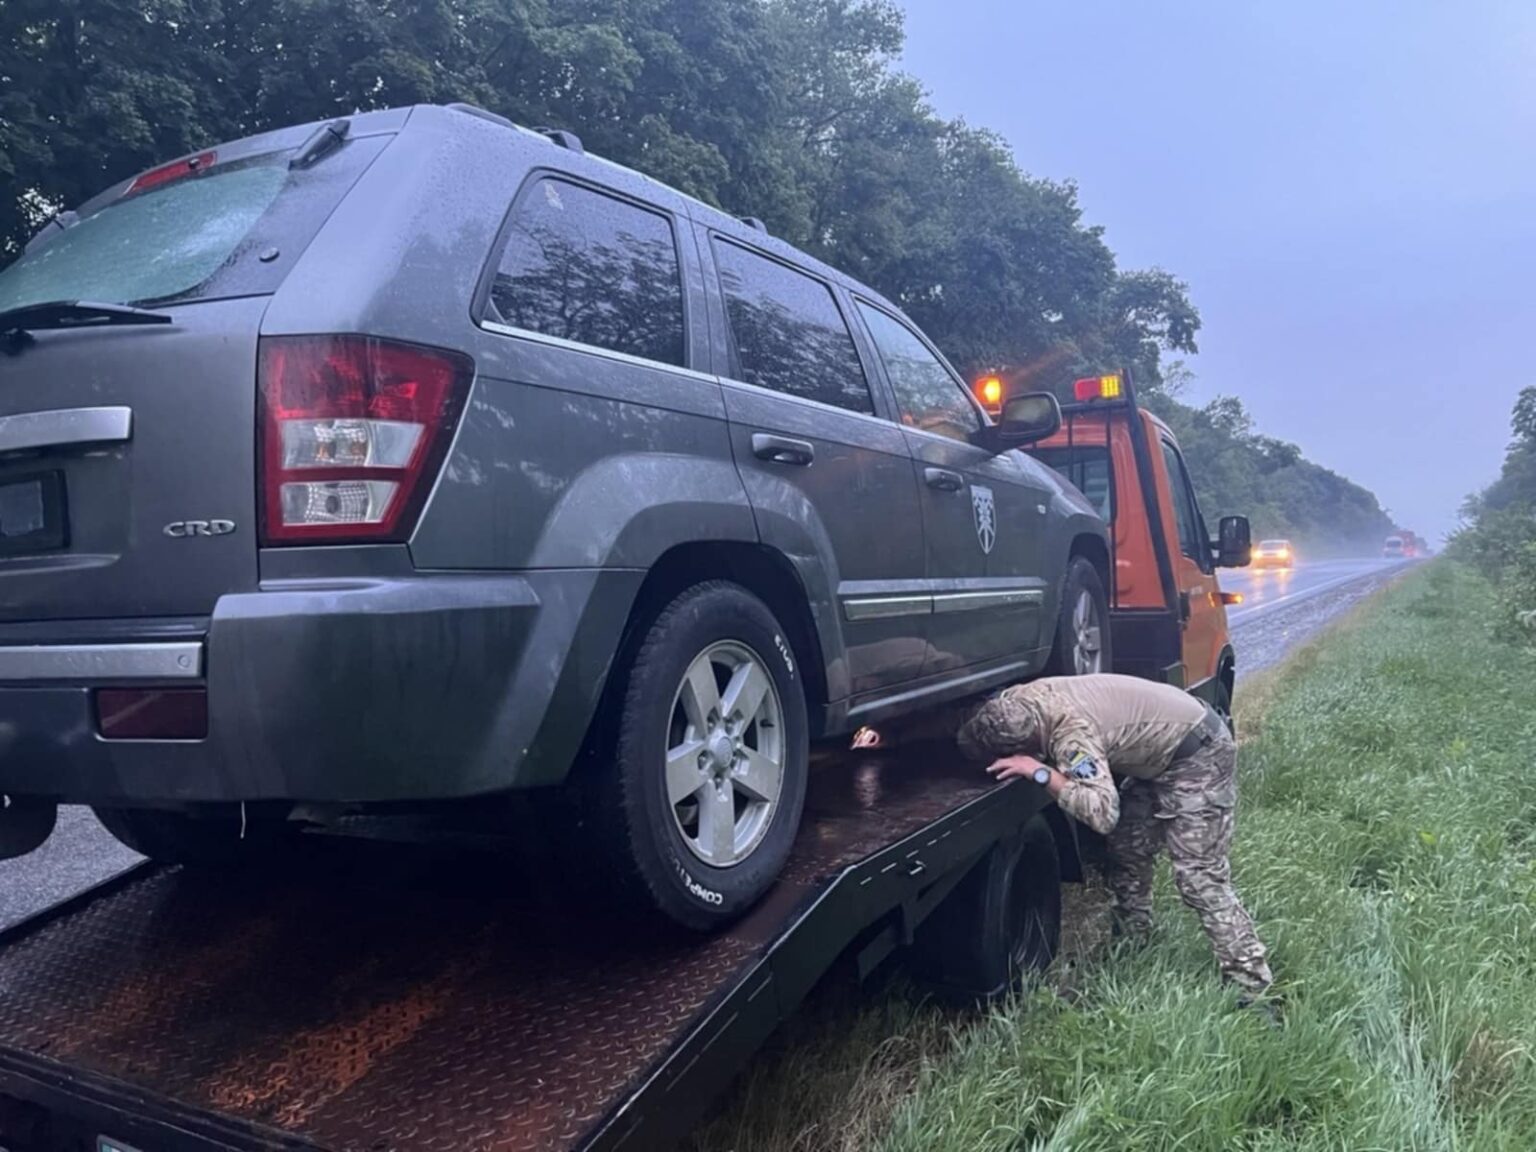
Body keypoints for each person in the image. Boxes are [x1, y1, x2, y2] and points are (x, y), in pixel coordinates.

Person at [956, 673, 1273, 995]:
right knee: (1126, 849)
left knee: (1199, 878)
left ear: (1031, 746)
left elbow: (1103, 813)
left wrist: (1040, 772)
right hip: (1158, 753)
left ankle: (1251, 984)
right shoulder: (1012, 701)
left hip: (1198, 756)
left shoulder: (1073, 738)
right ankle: (1135, 943)